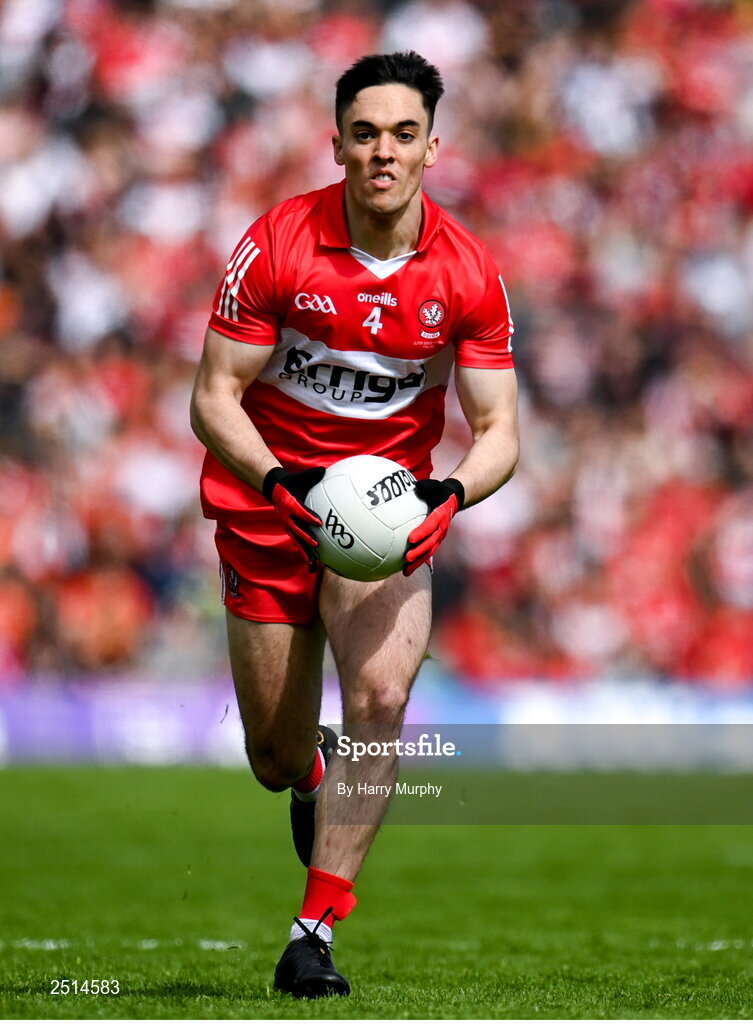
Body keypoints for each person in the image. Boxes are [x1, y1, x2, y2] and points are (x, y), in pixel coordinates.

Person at [190, 50, 519, 998]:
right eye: (365, 132)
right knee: (272, 754)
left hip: (385, 516)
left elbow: (499, 432)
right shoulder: (276, 243)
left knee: (379, 698)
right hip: (268, 501)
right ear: (336, 142)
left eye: (402, 134)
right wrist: (278, 479)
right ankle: (307, 777)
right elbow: (214, 398)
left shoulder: (466, 271)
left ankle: (314, 931)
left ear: (432, 147)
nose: (383, 151)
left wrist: (445, 497)